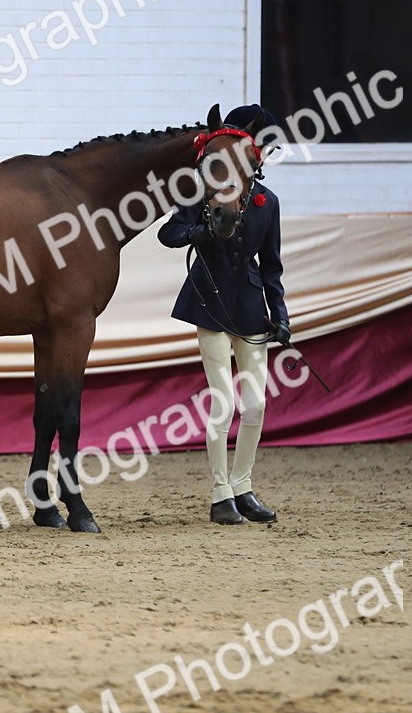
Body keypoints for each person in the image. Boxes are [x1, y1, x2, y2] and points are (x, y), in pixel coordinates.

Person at [157, 104, 290, 525]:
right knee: (223, 402)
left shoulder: (268, 202)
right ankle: (220, 494)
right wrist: (196, 232)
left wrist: (280, 313)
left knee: (256, 404)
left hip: (250, 307)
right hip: (209, 302)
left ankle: (243, 486)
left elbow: (271, 266)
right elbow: (167, 232)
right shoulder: (204, 193)